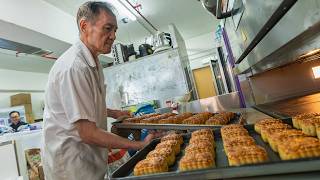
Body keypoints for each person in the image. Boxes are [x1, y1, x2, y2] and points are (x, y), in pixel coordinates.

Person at [42, 2, 157, 180]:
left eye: (115, 30)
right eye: (108, 28)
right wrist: (139, 144)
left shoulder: (93, 62)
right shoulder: (74, 67)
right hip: (71, 166)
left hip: (89, 160)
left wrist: (114, 112)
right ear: (84, 26)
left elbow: (86, 106)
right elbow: (88, 133)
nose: (113, 36)